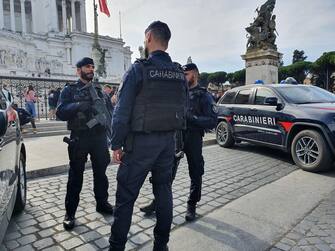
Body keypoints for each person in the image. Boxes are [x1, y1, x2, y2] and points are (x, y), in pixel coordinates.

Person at [109, 21, 188, 251]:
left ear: (150, 38)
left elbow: (121, 112)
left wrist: (116, 144)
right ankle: (161, 246)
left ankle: (116, 247)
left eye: (145, 39)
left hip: (141, 144)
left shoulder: (139, 69)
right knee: (164, 192)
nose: (145, 42)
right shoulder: (178, 73)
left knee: (125, 199)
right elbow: (184, 108)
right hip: (167, 142)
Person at [56, 57, 114, 231]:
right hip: (80, 138)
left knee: (101, 174)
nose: (91, 69)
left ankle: (102, 203)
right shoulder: (69, 90)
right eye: (87, 67)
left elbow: (109, 113)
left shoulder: (99, 91)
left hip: (99, 138)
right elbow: (60, 112)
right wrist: (80, 105)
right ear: (78, 70)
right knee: (75, 176)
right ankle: (70, 213)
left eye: (92, 67)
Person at [182, 63, 218, 222]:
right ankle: (158, 201)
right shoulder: (179, 92)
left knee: (196, 171)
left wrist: (194, 118)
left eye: (186, 74)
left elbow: (212, 121)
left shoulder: (204, 95)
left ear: (195, 74)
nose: (184, 77)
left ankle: (192, 204)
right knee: (166, 170)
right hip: (176, 136)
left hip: (193, 136)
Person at [140, 130, 184, 215]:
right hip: (165, 134)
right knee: (162, 178)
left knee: (167, 179)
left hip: (175, 134)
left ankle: (161, 206)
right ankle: (157, 203)